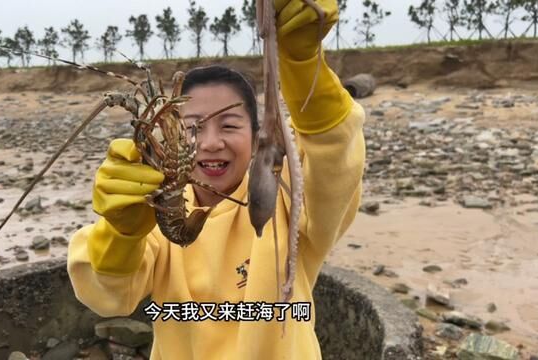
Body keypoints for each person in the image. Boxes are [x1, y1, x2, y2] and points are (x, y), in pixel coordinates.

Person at [67, 0, 366, 358]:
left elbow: (332, 154)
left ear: (256, 138)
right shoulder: (151, 220)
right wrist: (119, 232)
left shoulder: (287, 203)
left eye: (229, 125)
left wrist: (303, 64)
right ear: (171, 133)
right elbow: (108, 295)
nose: (209, 143)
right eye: (191, 127)